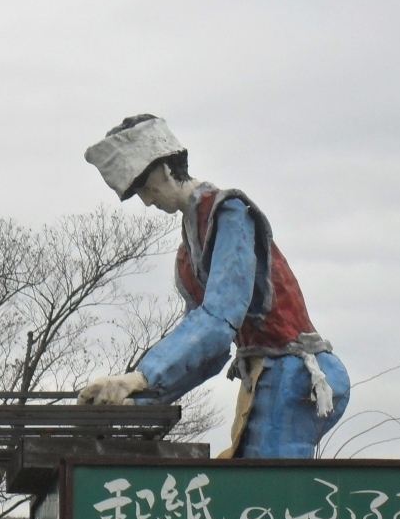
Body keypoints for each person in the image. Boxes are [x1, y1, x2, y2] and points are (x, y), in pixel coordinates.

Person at [79, 114, 349, 458]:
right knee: (251, 484)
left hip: (297, 374)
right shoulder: (186, 257)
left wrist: (142, 376)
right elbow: (210, 351)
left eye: (145, 188)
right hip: (263, 377)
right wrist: (137, 398)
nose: (147, 201)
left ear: (164, 169)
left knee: (272, 489)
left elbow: (220, 317)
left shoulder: (229, 212)